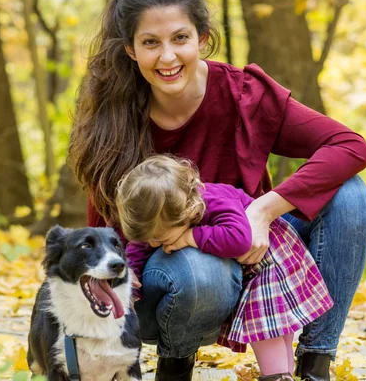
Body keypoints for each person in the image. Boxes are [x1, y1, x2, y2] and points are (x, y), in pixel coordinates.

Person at [69, 0, 366, 379]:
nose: (167, 56)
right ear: (130, 49)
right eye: (150, 42)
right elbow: (101, 230)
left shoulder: (245, 96)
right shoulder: (113, 118)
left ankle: (315, 363)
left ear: (203, 38)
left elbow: (351, 146)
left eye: (180, 38)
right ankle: (175, 362)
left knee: (350, 195)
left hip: (256, 264)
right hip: (160, 284)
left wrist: (264, 210)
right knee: (201, 268)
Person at [116, 155, 334, 380]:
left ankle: (276, 375)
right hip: (256, 263)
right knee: (278, 326)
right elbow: (140, 247)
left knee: (267, 325)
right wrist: (131, 273)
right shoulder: (162, 219)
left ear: (186, 212)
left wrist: (192, 236)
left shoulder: (214, 201)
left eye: (160, 239)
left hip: (267, 260)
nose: (154, 245)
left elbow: (240, 239)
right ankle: (283, 374)